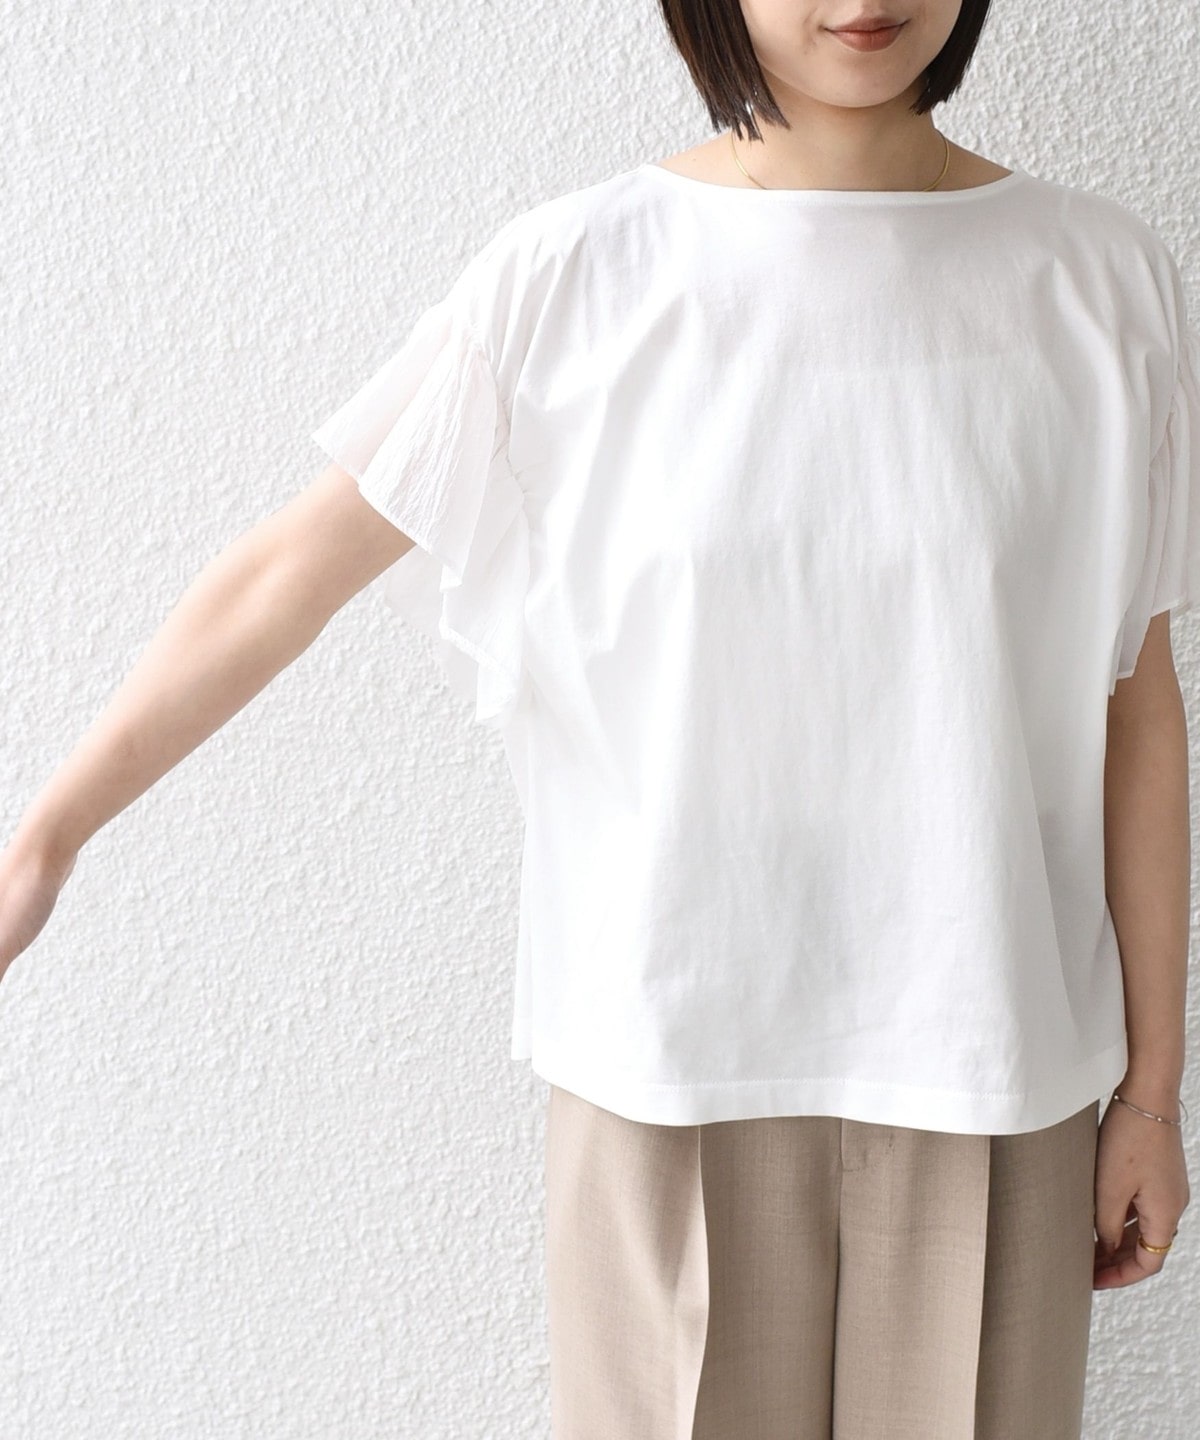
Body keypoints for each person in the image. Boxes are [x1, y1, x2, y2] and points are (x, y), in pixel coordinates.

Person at [1, 0, 1194, 1435]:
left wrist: (1153, 1092)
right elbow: (289, 574)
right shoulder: (572, 274)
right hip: (668, 1067)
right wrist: (50, 836)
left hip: (998, 1056)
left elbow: (1136, 702)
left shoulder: (1101, 276)